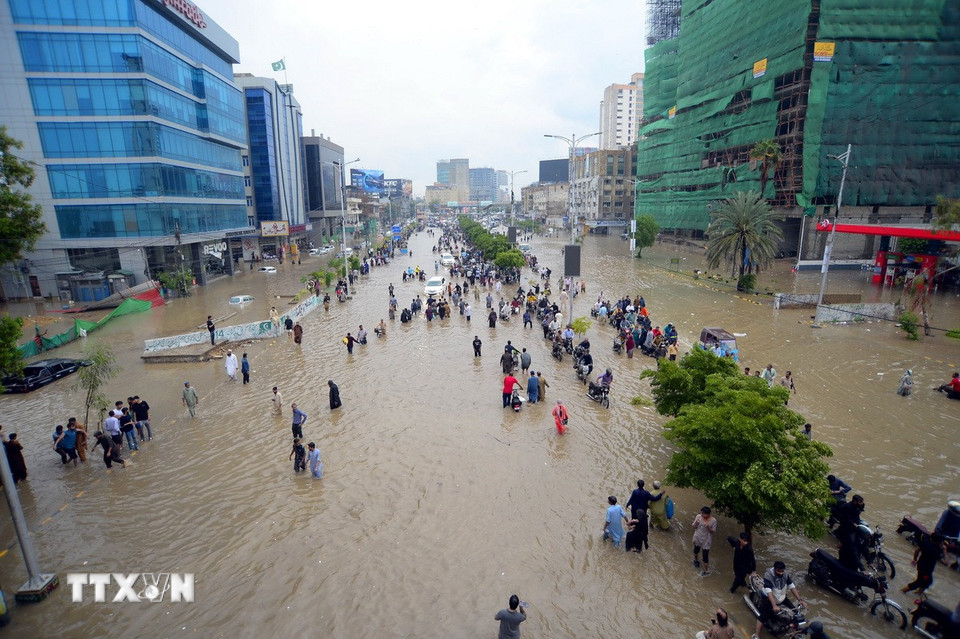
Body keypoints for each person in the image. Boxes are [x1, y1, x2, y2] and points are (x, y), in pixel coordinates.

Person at [754, 561, 805, 639]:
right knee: (763, 616)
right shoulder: (768, 575)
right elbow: (769, 591)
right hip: (769, 598)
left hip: (782, 597)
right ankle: (756, 635)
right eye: (779, 571)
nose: (781, 573)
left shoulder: (786, 574)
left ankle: (794, 631)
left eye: (782, 571)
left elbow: (792, 586)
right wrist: (774, 605)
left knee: (796, 613)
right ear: (775, 569)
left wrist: (800, 599)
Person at [835, 494, 866, 571]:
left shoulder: (859, 505)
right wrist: (853, 524)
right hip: (847, 522)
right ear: (855, 501)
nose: (861, 503)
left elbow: (860, 511)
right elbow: (847, 518)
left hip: (855, 520)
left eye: (862, 502)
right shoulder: (848, 507)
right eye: (860, 502)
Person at [692, 506, 717, 576]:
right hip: (698, 537)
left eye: (703, 513)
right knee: (696, 550)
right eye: (701, 513)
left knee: (705, 556)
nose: (702, 515)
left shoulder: (713, 520)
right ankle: (696, 560)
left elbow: (713, 531)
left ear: (708, 514)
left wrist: (708, 527)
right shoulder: (698, 517)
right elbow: (694, 527)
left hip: (706, 540)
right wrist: (696, 523)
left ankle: (706, 570)